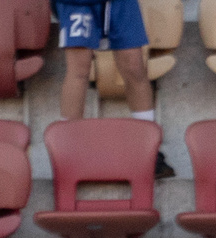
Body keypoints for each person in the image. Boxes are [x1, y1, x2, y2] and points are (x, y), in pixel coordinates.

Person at [55, 0, 175, 177]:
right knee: (78, 70)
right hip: (78, 3)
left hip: (121, 3)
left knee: (135, 68)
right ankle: (70, 150)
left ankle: (147, 147)